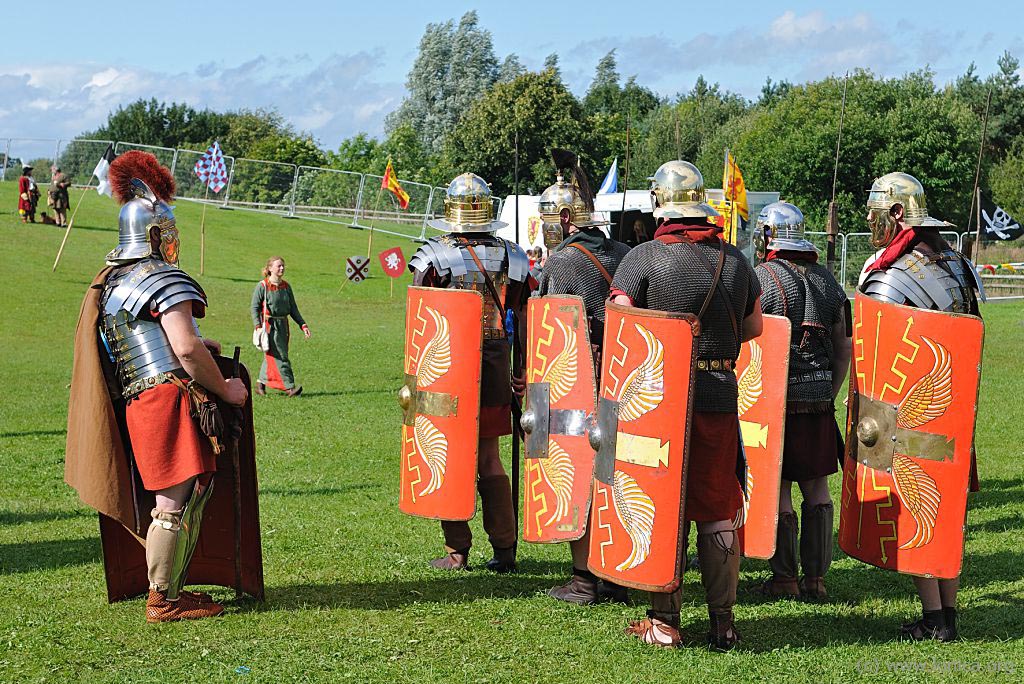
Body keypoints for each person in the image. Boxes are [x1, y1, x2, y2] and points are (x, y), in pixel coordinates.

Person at [64, 150, 248, 622]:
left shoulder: (113, 283)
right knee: (173, 500)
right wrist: (226, 389)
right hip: (167, 398)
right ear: (156, 234)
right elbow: (184, 349)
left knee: (180, 494)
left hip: (140, 398)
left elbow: (149, 340)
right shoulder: (161, 277)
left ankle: (170, 588)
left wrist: (198, 344)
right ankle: (163, 598)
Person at [610, 160, 763, 650]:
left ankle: (664, 623)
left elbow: (620, 319)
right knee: (718, 507)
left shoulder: (645, 258)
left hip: (660, 400)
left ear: (661, 202)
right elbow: (756, 327)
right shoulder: (737, 260)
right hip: (719, 392)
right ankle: (723, 623)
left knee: (662, 502)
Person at [849, 172, 984, 641]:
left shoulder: (893, 276)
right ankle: (948, 613)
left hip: (910, 415)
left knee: (921, 507)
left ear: (899, 214)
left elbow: (879, 347)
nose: (868, 218)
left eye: (875, 210)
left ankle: (934, 618)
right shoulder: (960, 265)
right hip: (956, 410)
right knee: (949, 509)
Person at [408, 172, 534, 573]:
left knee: (449, 456)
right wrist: (522, 367)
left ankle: (457, 550)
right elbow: (526, 315)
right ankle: (504, 548)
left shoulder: (434, 257)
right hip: (496, 363)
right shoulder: (512, 257)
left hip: (447, 368)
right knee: (489, 459)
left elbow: (421, 325)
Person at [532, 150, 632, 605]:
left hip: (579, 380)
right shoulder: (627, 254)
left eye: (550, 217)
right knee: (616, 473)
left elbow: (547, 335)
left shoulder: (561, 265)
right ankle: (615, 573)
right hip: (626, 379)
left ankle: (584, 579)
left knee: (579, 470)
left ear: (568, 217)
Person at [751, 202, 851, 600]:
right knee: (817, 488)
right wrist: (829, 392)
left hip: (774, 401)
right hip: (818, 402)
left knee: (779, 488)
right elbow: (844, 347)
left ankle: (785, 579)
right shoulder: (829, 282)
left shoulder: (760, 278)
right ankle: (816, 580)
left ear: (767, 237)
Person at [251, 257, 310, 397]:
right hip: (269, 327)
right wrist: (258, 326)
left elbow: (293, 309)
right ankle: (289, 387)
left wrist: (303, 325)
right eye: (279, 266)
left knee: (272, 355)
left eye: (283, 266)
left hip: (283, 326)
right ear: (270, 268)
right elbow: (254, 307)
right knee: (280, 356)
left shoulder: (286, 286)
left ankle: (260, 385)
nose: (282, 268)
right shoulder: (262, 286)